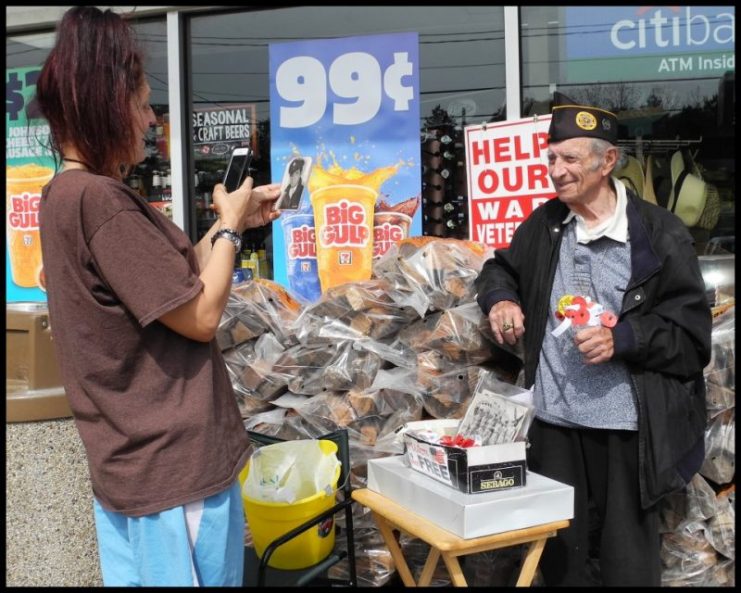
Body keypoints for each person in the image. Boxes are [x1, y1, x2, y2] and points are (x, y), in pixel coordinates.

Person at [35, 7, 281, 587]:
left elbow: (165, 287)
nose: (151, 120)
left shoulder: (65, 195)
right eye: (143, 103)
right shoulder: (100, 201)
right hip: (172, 469)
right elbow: (199, 314)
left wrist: (235, 225)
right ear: (105, 102)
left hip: (135, 467)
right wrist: (226, 227)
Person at [475, 92, 712, 586]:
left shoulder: (659, 234)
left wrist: (623, 338)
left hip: (629, 431)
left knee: (627, 566)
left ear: (607, 162)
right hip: (555, 425)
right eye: (551, 159)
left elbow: (691, 340)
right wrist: (501, 299)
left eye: (570, 159)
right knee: (563, 561)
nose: (556, 170)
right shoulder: (547, 224)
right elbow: (500, 267)